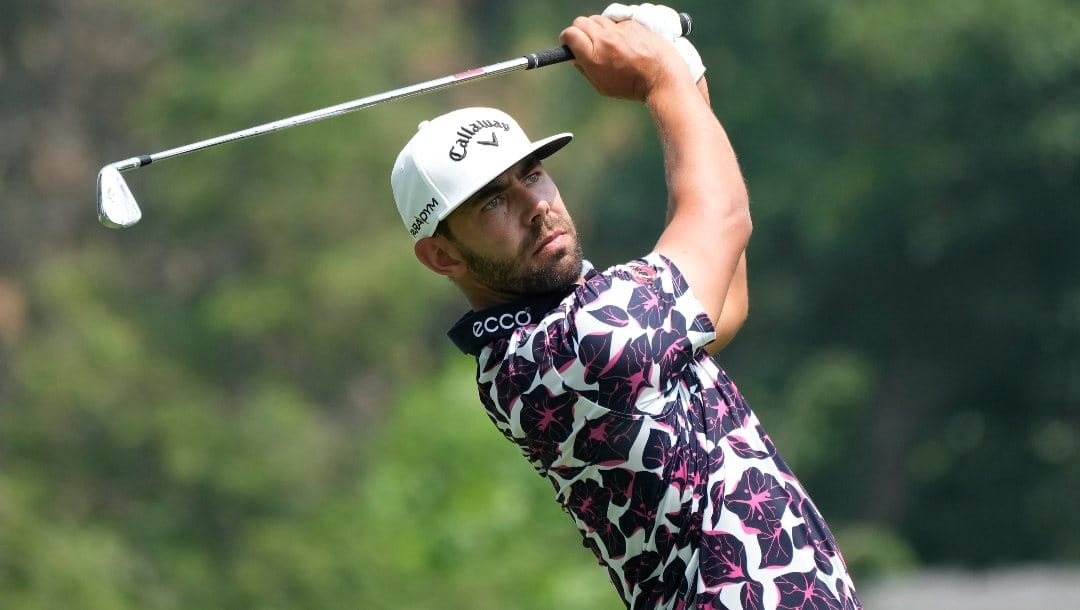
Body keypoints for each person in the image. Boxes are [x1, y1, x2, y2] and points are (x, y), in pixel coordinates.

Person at [390, 5, 861, 609]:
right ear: (442, 257)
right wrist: (660, 76)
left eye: (531, 175)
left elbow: (723, 305)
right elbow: (720, 217)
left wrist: (685, 78)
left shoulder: (562, 327)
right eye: (490, 204)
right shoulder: (570, 349)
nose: (535, 205)